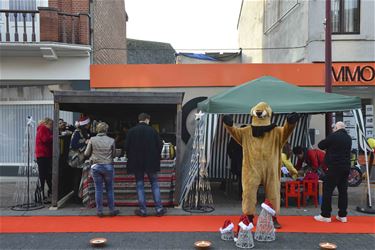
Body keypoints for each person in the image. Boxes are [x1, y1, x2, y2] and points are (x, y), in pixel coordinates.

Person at [124, 113, 166, 217]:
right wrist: (156, 156)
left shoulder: (131, 131)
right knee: (154, 184)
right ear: (147, 120)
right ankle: (159, 209)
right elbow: (160, 145)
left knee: (139, 185)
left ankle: (143, 210)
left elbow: (126, 147)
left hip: (136, 162)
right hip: (151, 162)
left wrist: (131, 157)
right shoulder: (153, 131)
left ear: (139, 120)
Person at [314, 121, 352, 223]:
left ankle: (325, 215)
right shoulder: (348, 138)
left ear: (336, 128)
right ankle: (342, 215)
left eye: (334, 128)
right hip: (346, 167)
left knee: (328, 190)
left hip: (334, 167)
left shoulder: (333, 136)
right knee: (343, 191)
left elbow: (321, 145)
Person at [84, 122, 119, 217]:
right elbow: (114, 154)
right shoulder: (111, 140)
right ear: (106, 130)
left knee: (98, 189)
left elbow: (86, 153)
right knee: (110, 189)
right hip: (108, 166)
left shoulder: (92, 139)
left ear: (97, 130)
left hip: (96, 166)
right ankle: (112, 210)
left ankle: (99, 211)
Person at [69, 115, 91, 203]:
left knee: (79, 177)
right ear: (85, 124)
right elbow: (73, 145)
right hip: (76, 159)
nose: (89, 125)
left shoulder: (84, 132)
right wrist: (85, 143)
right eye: (88, 123)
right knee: (77, 178)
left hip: (81, 158)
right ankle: (76, 197)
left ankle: (79, 195)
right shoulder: (77, 132)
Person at [35, 117, 53, 201]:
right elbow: (45, 139)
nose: (51, 126)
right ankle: (39, 195)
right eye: (50, 124)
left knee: (46, 175)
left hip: (43, 155)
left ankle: (45, 194)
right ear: (46, 123)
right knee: (43, 176)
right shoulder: (43, 128)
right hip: (43, 155)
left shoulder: (43, 129)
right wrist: (53, 136)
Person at [227, 125, 246, 198]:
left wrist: (233, 158)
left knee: (242, 179)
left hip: (240, 162)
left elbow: (229, 150)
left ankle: (242, 195)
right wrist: (234, 158)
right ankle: (242, 195)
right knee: (242, 179)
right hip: (240, 162)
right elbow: (229, 150)